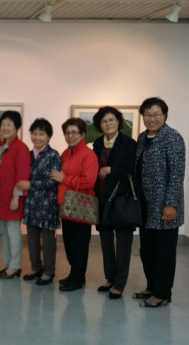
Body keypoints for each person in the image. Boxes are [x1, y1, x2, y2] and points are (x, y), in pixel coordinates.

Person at [133, 97, 185, 308]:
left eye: (156, 114)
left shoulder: (172, 137)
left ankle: (163, 293)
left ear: (164, 115)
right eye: (148, 114)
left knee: (164, 252)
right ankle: (152, 286)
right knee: (147, 250)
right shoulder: (142, 137)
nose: (152, 118)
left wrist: (171, 204)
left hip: (164, 206)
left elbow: (177, 174)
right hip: (146, 204)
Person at [92, 106, 137, 299]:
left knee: (123, 243)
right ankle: (110, 278)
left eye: (111, 119)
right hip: (102, 198)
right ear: (99, 125)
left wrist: (111, 170)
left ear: (119, 121)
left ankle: (119, 283)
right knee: (106, 241)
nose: (108, 123)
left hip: (121, 199)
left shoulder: (129, 143)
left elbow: (133, 172)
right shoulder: (97, 143)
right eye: (104, 121)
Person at [50, 118, 98, 292]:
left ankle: (77, 278)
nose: (70, 136)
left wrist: (65, 179)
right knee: (70, 243)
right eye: (67, 133)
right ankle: (75, 275)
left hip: (80, 204)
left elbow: (89, 181)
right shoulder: (66, 153)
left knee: (79, 244)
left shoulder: (88, 155)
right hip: (66, 204)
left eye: (74, 132)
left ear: (82, 134)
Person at [15, 118, 61, 285]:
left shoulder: (53, 155)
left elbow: (54, 181)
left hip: (48, 204)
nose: (37, 137)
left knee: (48, 241)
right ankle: (36, 268)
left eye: (41, 134)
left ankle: (48, 272)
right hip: (31, 204)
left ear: (48, 137)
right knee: (32, 239)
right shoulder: (27, 155)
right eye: (34, 133)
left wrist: (31, 185)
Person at [0, 110, 30, 280]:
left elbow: (22, 175)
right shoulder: (1, 146)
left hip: (13, 197)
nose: (5, 128)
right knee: (3, 232)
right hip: (1, 196)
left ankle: (15, 266)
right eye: (3, 125)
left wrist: (16, 196)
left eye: (9, 124)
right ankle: (5, 262)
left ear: (17, 127)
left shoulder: (20, 148)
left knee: (13, 232)